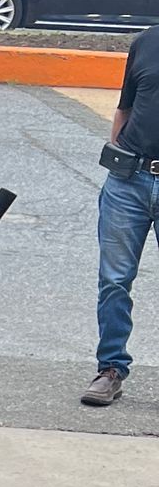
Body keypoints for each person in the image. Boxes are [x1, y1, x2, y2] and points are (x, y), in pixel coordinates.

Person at [82, 22, 159, 408]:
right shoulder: (147, 41)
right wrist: (118, 162)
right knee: (114, 280)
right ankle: (111, 369)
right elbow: (125, 108)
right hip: (129, 179)